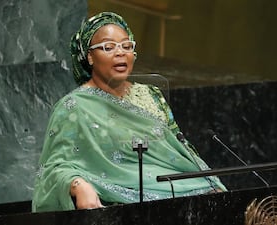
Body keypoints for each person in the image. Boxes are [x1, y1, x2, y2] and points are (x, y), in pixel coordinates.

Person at [32, 12, 226, 212]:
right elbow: (54, 169)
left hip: (177, 188)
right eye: (108, 47)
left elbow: (179, 148)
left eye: (127, 46)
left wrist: (210, 183)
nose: (120, 53)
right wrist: (78, 185)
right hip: (122, 199)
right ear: (89, 56)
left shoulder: (150, 94)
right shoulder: (74, 107)